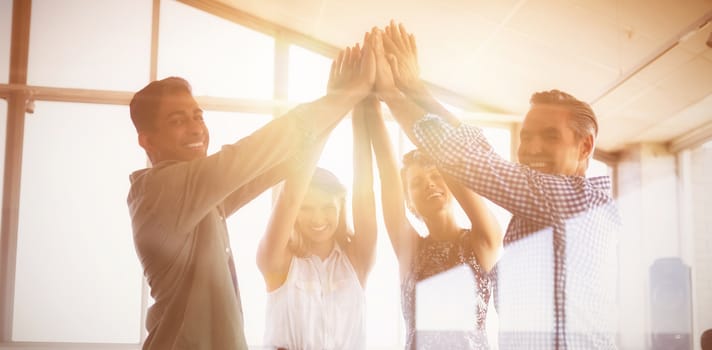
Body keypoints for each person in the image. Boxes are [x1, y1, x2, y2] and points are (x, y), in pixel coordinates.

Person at [373, 21, 621, 349]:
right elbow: (480, 152)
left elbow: (470, 161)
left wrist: (394, 95)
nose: (531, 149)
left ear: (586, 147)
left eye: (550, 137)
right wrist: (416, 91)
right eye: (526, 136)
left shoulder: (576, 200)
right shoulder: (538, 210)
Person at [126, 39, 375, 349]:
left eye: (198, 116)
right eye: (177, 121)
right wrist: (347, 94)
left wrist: (335, 107)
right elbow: (260, 149)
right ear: (147, 141)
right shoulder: (163, 190)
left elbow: (284, 162)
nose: (195, 129)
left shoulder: (201, 200)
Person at [360, 81, 501, 349]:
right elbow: (388, 174)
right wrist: (373, 105)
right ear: (409, 201)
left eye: (437, 176)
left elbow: (452, 160)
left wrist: (397, 92)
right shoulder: (409, 248)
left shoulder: (483, 239)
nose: (429, 184)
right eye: (416, 183)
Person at [257, 43, 378, 350]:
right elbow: (290, 193)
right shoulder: (277, 260)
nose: (318, 218)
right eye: (307, 208)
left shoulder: (356, 258)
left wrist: (360, 106)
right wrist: (335, 103)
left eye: (327, 207)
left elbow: (364, 191)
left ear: (341, 206)